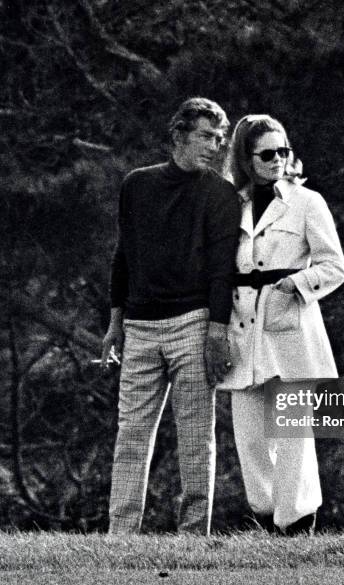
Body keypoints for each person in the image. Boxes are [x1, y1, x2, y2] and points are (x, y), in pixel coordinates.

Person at [101, 97, 240, 535]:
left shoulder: (220, 193)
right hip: (139, 327)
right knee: (131, 436)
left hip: (194, 323)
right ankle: (119, 539)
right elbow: (124, 254)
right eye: (205, 136)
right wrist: (115, 321)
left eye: (219, 139)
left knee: (196, 438)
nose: (214, 147)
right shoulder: (136, 185)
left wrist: (216, 332)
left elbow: (223, 270)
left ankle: (192, 537)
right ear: (178, 134)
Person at [219, 115, 344, 535]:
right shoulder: (228, 204)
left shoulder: (308, 202)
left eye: (283, 151)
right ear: (246, 157)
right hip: (242, 328)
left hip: (290, 324)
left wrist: (297, 282)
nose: (278, 160)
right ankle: (266, 514)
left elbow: (334, 266)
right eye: (267, 153)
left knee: (293, 433)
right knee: (251, 436)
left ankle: (296, 522)